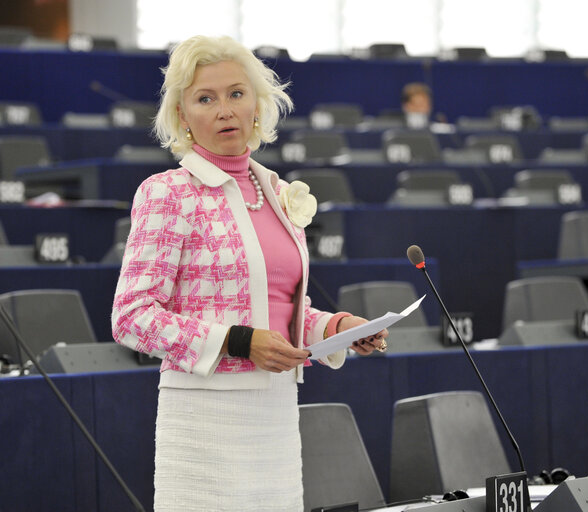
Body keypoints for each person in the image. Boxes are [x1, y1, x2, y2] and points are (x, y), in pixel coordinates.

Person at [111, 35, 388, 512]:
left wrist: (335, 328)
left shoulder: (275, 189)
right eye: (205, 98)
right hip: (205, 416)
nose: (225, 110)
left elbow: (276, 307)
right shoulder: (167, 192)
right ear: (182, 116)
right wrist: (239, 342)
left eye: (236, 94)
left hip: (276, 415)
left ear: (257, 105)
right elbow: (131, 317)